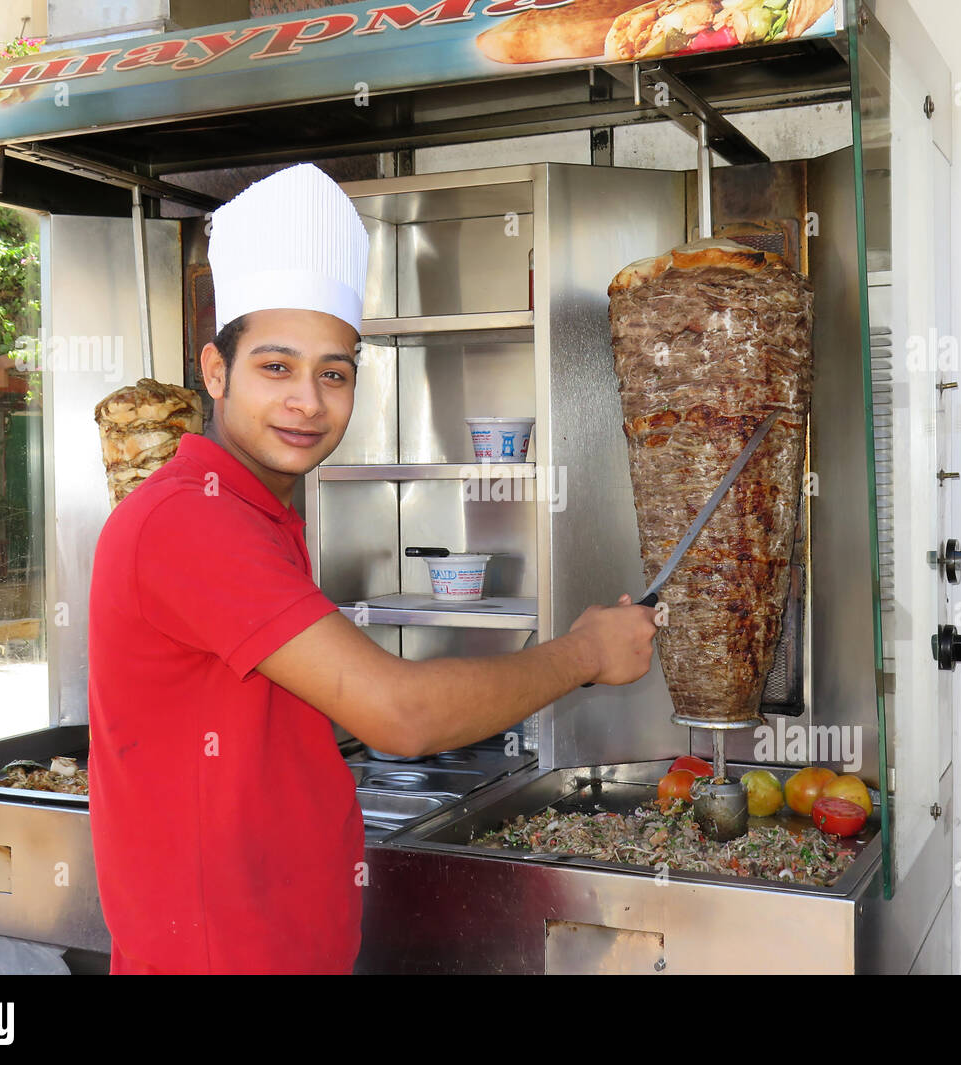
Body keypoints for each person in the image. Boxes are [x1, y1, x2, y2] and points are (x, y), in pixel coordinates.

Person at [87, 164, 657, 975]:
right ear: (215, 371)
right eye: (275, 367)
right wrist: (586, 654)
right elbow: (399, 713)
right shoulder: (190, 519)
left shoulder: (259, 515)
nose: (308, 402)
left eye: (334, 372)